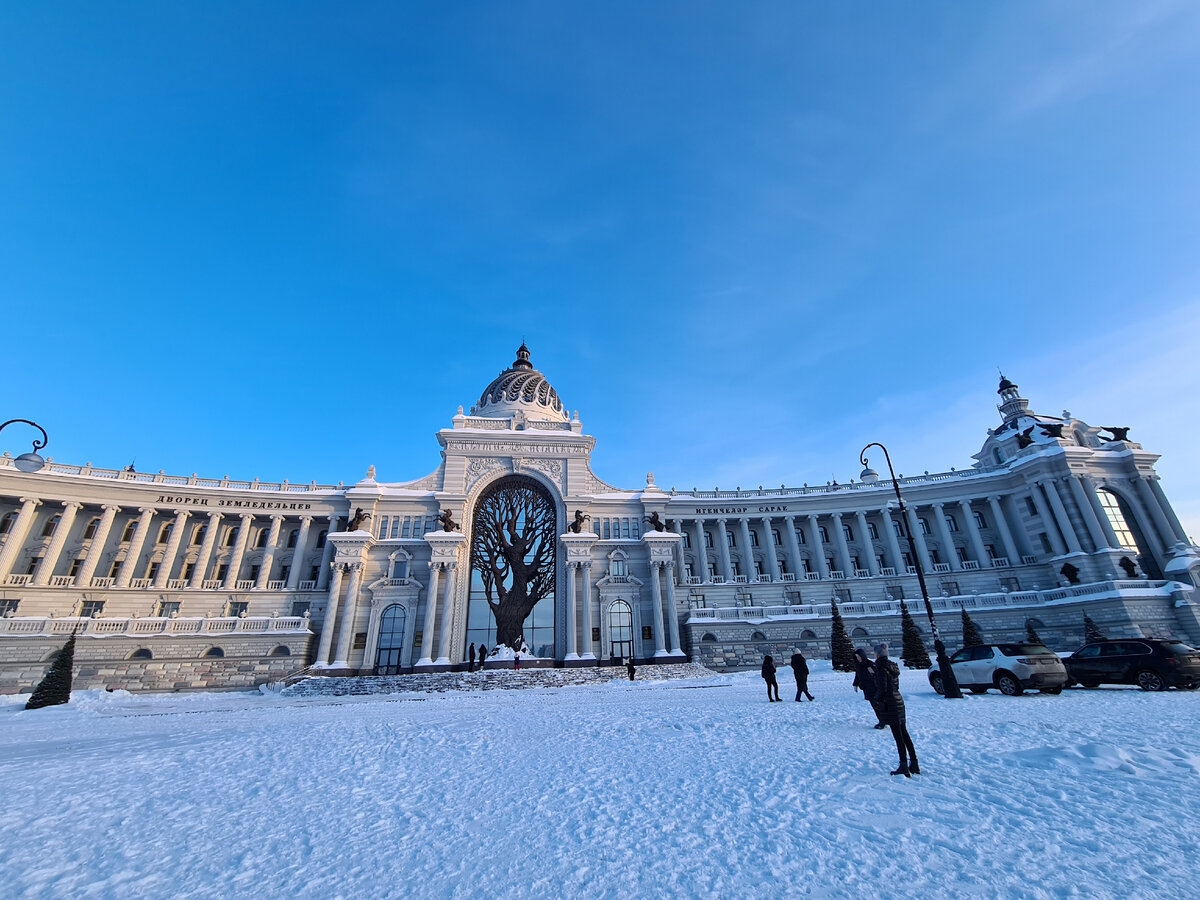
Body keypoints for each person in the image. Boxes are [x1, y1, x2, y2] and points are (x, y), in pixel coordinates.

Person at [873, 643, 919, 776]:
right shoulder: (893, 665)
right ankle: (914, 763)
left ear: (877, 654)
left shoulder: (880, 666)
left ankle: (903, 765)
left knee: (898, 736)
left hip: (890, 703)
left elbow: (882, 688)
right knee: (904, 733)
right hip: (898, 700)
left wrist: (877, 699)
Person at [853, 647, 885, 728]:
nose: (858, 659)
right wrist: (855, 684)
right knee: (875, 706)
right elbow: (858, 676)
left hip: (874, 689)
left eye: (859, 657)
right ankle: (883, 720)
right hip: (867, 689)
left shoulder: (869, 665)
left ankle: (883, 722)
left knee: (878, 706)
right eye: (856, 657)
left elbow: (876, 675)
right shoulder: (859, 666)